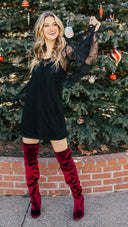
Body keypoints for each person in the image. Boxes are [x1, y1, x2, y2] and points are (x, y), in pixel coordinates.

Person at [21, 11, 100, 220]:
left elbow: (89, 61)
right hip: (31, 114)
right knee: (30, 163)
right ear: (41, 29)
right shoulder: (37, 53)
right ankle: (35, 199)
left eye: (54, 24)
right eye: (46, 25)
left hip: (53, 113)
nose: (50, 28)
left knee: (66, 162)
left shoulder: (65, 51)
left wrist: (93, 33)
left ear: (58, 27)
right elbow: (34, 84)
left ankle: (78, 198)